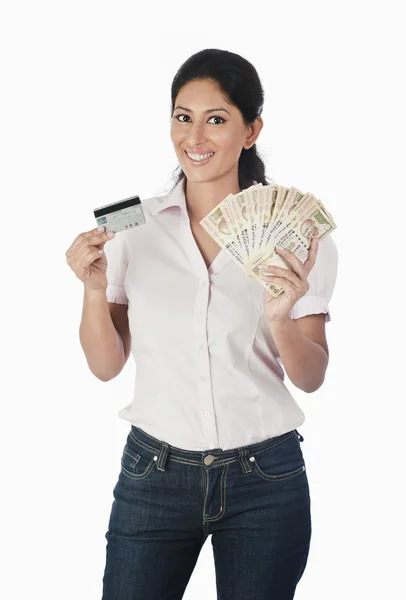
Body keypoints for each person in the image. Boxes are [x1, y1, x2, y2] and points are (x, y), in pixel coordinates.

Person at [66, 48, 338, 600]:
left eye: (216, 118)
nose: (196, 135)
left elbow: (311, 377)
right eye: (182, 115)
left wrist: (281, 320)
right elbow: (104, 366)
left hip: (267, 477)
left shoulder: (299, 234)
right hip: (154, 473)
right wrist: (95, 288)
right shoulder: (127, 223)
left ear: (251, 129)